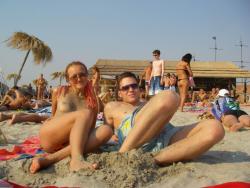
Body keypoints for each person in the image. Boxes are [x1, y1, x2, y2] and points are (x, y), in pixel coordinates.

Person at [104, 72, 224, 165]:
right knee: (170, 96)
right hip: (133, 137)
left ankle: (154, 159)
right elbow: (104, 131)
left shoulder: (146, 103)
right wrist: (110, 136)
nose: (131, 89)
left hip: (163, 135)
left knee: (215, 128)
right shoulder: (112, 106)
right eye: (125, 88)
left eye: (134, 86)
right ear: (119, 93)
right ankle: (123, 154)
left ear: (139, 89)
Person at [29, 61, 113, 173]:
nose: (79, 79)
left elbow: (90, 128)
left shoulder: (93, 100)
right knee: (85, 113)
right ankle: (76, 159)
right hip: (53, 137)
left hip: (71, 143)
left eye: (82, 74)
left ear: (87, 76)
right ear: (68, 79)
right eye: (74, 77)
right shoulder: (58, 91)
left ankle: (49, 160)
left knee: (106, 130)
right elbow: (53, 116)